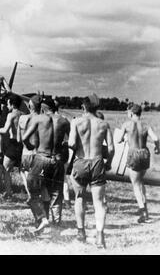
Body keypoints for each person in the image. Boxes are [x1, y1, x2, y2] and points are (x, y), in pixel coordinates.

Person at [68, 94, 114, 248]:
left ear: (84, 106)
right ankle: (100, 237)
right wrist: (109, 163)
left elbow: (72, 143)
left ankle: (81, 233)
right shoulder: (104, 124)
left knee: (79, 197)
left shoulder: (76, 122)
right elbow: (112, 148)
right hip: (97, 161)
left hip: (81, 161)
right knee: (99, 202)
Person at [118, 104, 160, 223]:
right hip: (145, 153)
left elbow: (119, 139)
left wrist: (124, 139)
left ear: (131, 113)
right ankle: (144, 205)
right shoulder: (146, 125)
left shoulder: (126, 125)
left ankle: (143, 212)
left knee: (136, 184)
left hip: (134, 154)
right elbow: (156, 139)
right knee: (141, 181)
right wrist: (157, 148)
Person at [21, 95, 52, 233]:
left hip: (28, 154)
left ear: (30, 106)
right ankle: (46, 217)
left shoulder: (25, 118)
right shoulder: (46, 120)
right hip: (42, 155)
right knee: (43, 187)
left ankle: (39, 219)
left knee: (31, 191)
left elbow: (21, 137)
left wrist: (28, 145)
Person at [39, 96, 70, 225]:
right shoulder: (63, 121)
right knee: (57, 191)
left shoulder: (39, 120)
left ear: (44, 108)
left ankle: (44, 218)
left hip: (42, 158)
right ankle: (56, 221)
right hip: (57, 158)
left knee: (43, 189)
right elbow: (70, 140)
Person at [0, 94, 23, 199]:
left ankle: (8, 192)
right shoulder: (23, 114)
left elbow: (5, 130)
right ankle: (30, 193)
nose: (7, 104)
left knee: (6, 169)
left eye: (8, 102)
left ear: (12, 104)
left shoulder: (11, 115)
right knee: (23, 171)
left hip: (13, 143)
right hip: (22, 145)